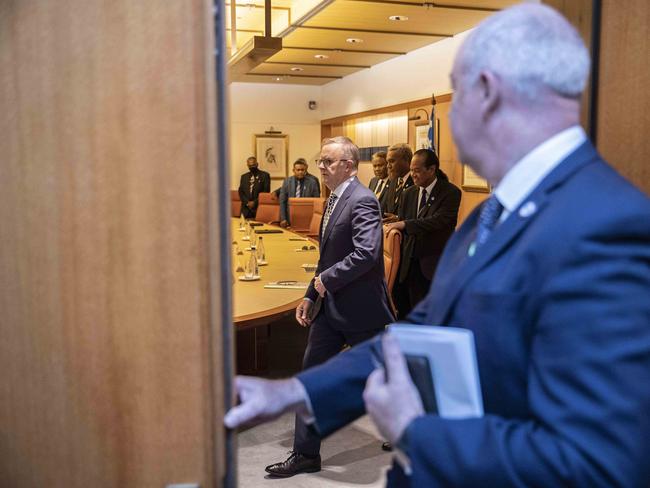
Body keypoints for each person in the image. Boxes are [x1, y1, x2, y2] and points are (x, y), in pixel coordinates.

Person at [225, 5, 650, 486]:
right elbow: (425, 330)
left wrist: (415, 429)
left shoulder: (606, 227)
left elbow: (599, 461)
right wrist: (297, 393)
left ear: (486, 91)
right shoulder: (499, 210)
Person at [262, 136, 394, 478]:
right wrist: (311, 293)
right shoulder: (335, 198)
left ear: (348, 165)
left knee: (382, 381)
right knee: (310, 378)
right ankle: (305, 454)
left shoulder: (363, 200)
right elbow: (327, 258)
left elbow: (366, 253)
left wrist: (325, 281)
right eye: (320, 161)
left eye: (327, 162)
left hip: (362, 310)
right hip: (330, 310)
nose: (320, 166)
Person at [385, 148, 461, 318]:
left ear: (432, 169)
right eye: (411, 170)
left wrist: (404, 223)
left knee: (429, 317)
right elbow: (405, 229)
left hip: (433, 266)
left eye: (417, 171)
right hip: (407, 266)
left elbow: (438, 221)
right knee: (405, 313)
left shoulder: (450, 193)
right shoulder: (408, 194)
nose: (413, 175)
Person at [279, 158, 321, 228]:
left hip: (307, 218)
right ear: (293, 170)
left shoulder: (312, 182)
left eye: (302, 170)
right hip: (290, 219)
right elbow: (282, 201)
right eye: (298, 170)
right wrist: (283, 219)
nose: (300, 172)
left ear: (305, 170)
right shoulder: (287, 182)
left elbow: (317, 202)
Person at [382, 143, 413, 220]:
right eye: (387, 162)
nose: (388, 166)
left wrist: (398, 218)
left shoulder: (416, 182)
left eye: (392, 161)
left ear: (406, 160)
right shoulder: (393, 181)